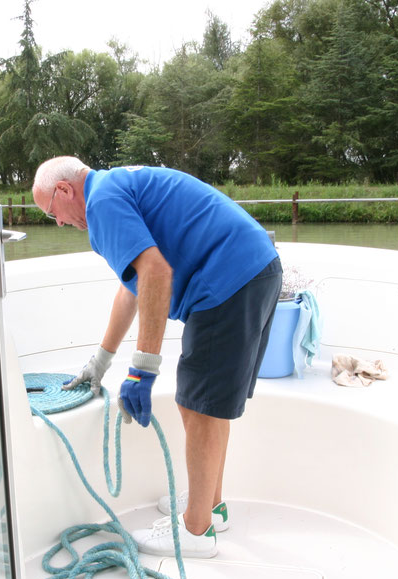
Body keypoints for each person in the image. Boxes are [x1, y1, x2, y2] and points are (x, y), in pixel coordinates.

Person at [32, 156, 282, 558]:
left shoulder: (100, 202)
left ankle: (195, 531)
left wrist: (142, 370)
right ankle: (211, 507)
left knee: (198, 407)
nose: (58, 223)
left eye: (51, 212)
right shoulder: (113, 187)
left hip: (228, 279)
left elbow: (156, 274)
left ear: (64, 190)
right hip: (252, 268)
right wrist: (101, 360)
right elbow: (131, 288)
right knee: (207, 406)